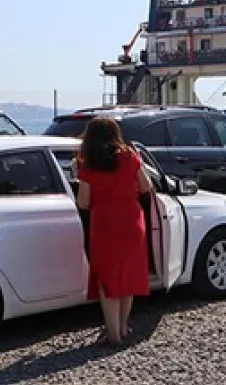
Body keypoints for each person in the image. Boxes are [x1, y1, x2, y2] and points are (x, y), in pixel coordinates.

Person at [75, 117, 153, 346]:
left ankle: (113, 333)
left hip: (104, 224)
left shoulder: (88, 165)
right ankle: (122, 326)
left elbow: (83, 203)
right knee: (126, 276)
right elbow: (146, 187)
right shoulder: (130, 157)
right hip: (131, 221)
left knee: (106, 279)